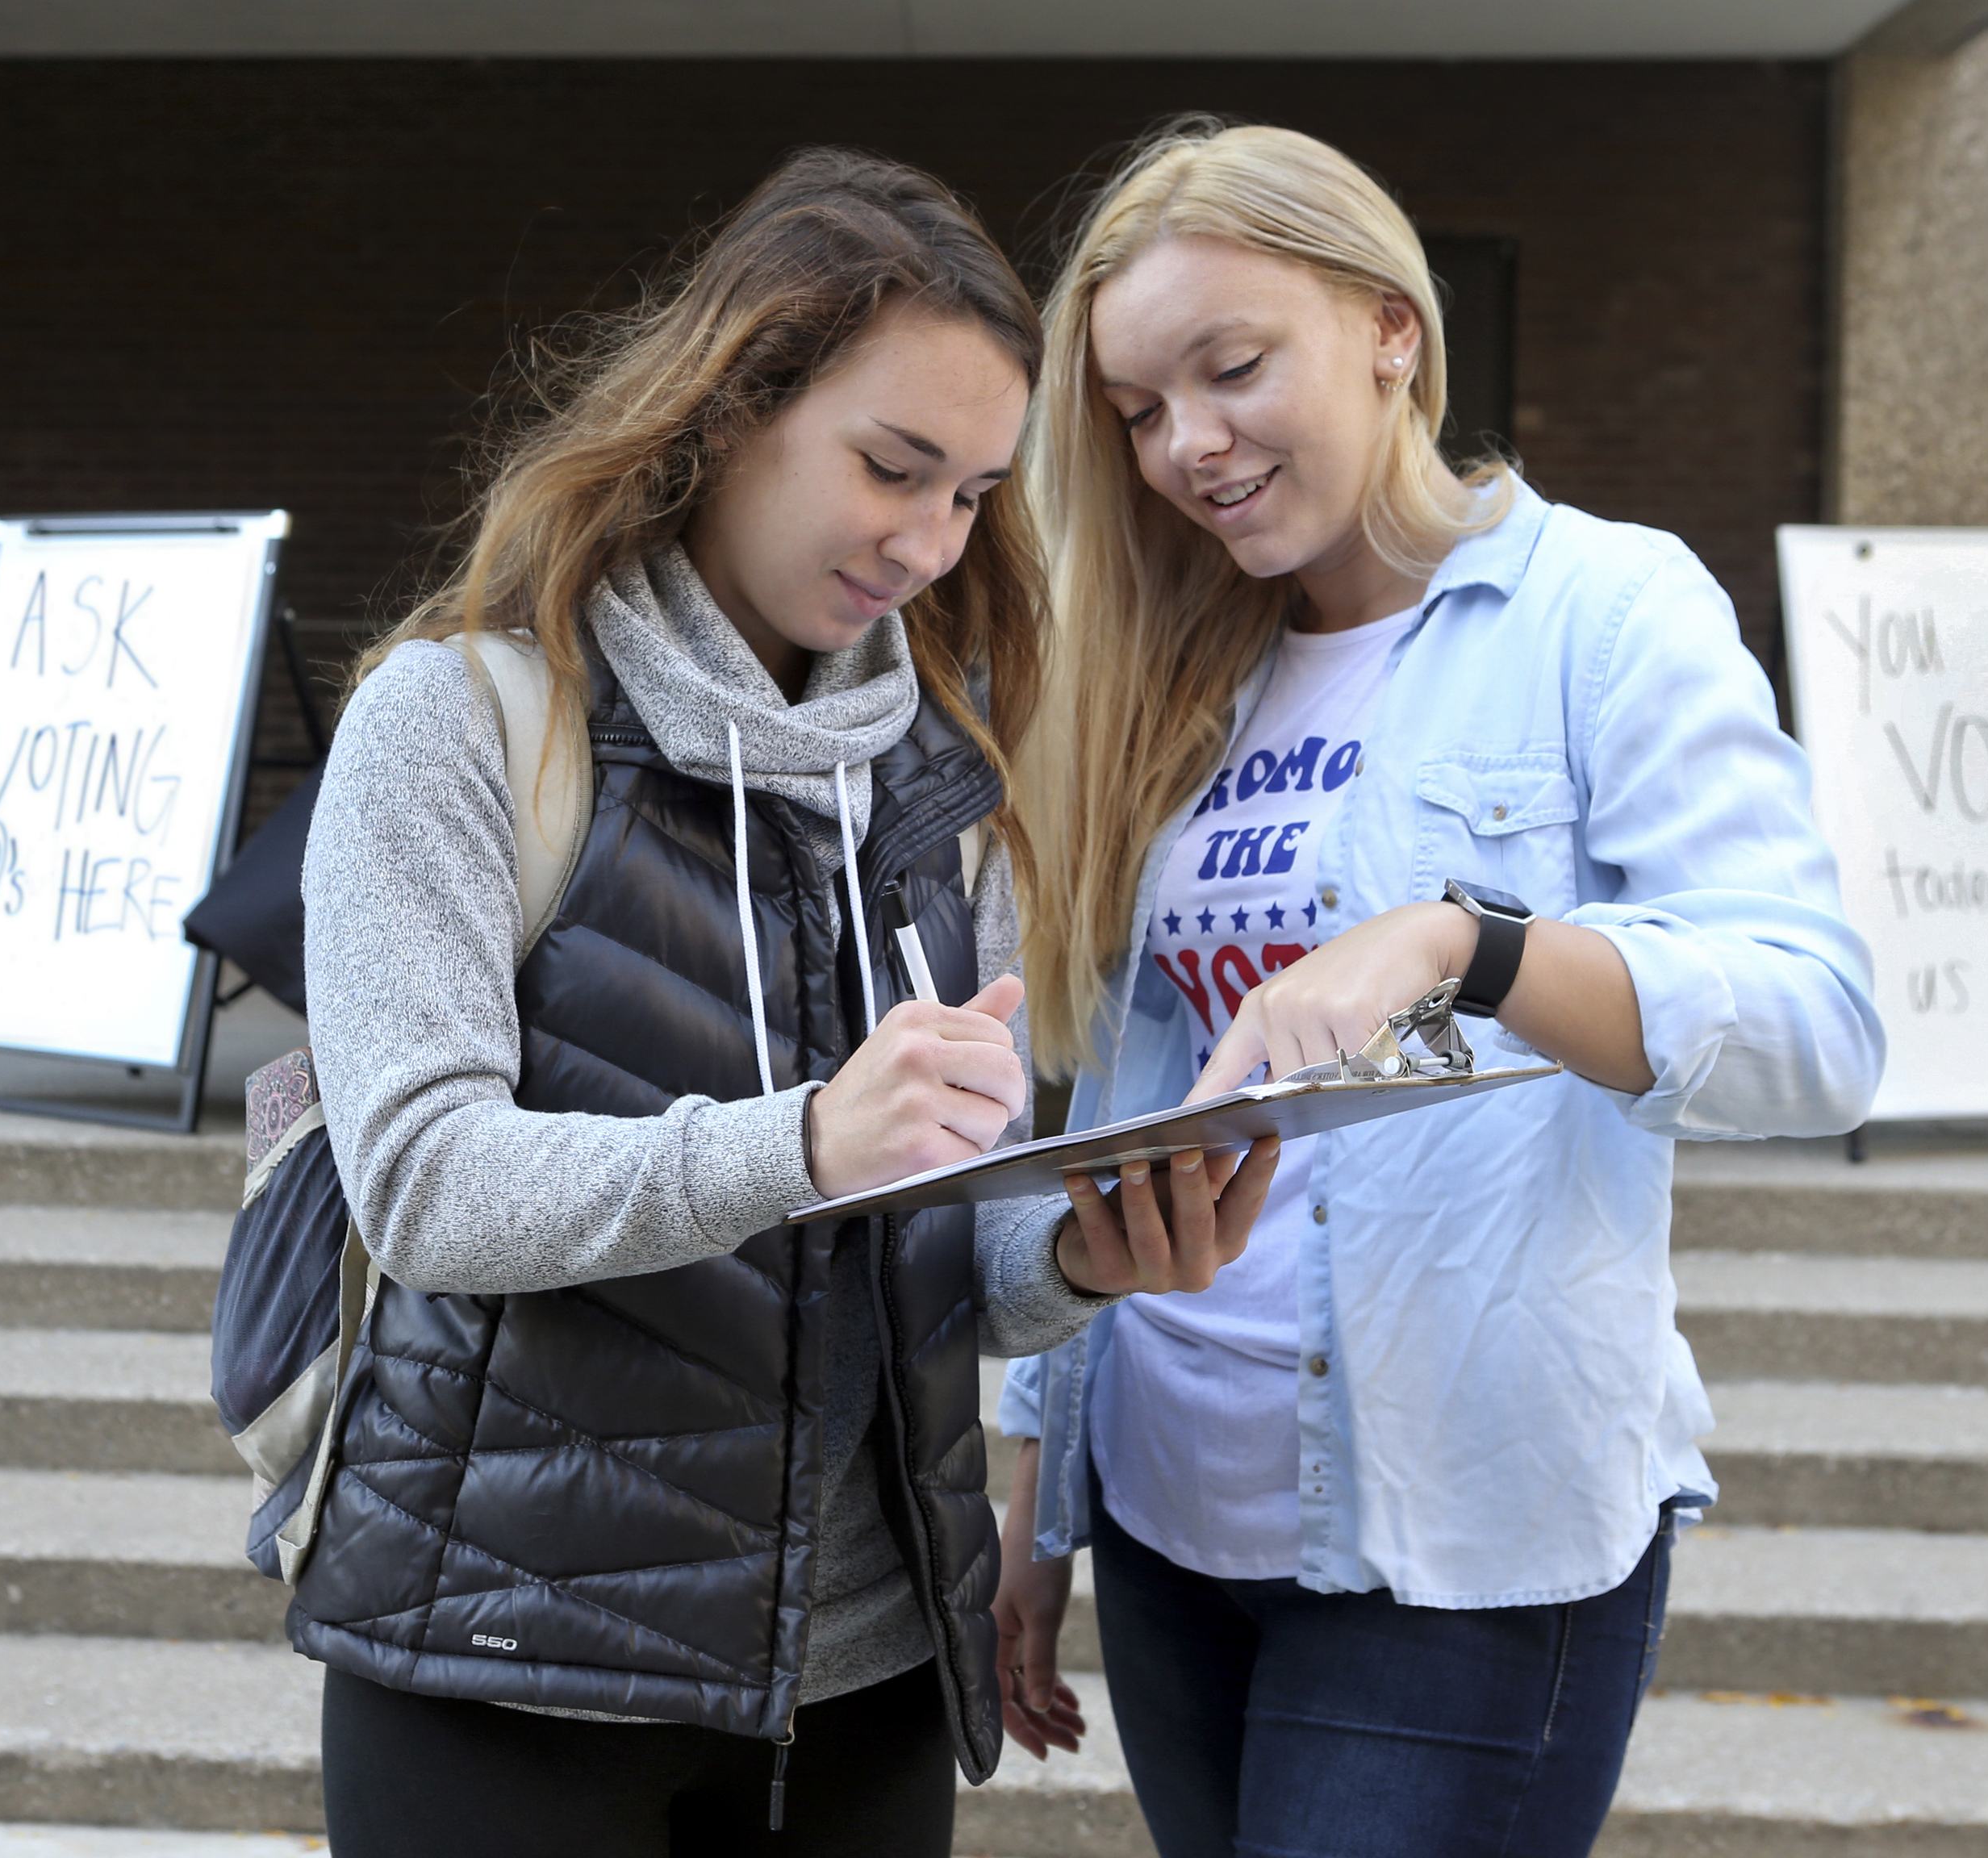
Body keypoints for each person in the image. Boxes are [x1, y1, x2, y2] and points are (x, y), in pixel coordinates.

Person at [293, 147, 1276, 1858]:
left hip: (870, 1681)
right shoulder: (455, 722)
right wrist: (810, 1135)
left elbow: (935, 1231)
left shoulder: (942, 770)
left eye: (972, 492)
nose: (927, 540)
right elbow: (425, 1183)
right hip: (513, 1664)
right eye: (891, 467)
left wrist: (1070, 1260)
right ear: (730, 407)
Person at [993, 120, 1884, 1858]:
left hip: (1460, 1547)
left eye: (1233, 367)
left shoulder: (1604, 612)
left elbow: (1817, 1028)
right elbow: (1119, 1089)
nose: (1189, 444)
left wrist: (1461, 940)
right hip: (1175, 1521)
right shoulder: (1169, 659)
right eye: (1136, 410)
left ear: (1392, 324)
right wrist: (1042, 1470)